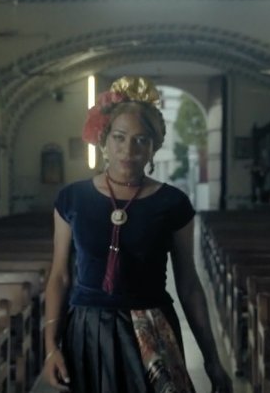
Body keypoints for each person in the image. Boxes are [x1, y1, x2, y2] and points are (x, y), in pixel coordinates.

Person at [42, 76, 233, 393]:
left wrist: (212, 359)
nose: (128, 150)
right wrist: (51, 347)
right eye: (119, 137)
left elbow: (188, 284)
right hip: (88, 330)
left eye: (141, 140)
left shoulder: (172, 203)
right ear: (104, 140)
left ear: (153, 147)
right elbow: (60, 277)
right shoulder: (71, 199)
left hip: (152, 329)